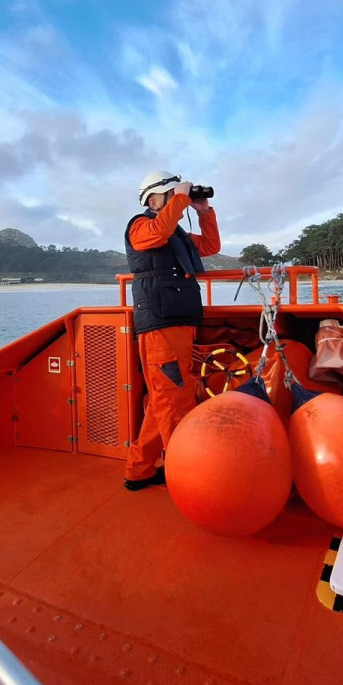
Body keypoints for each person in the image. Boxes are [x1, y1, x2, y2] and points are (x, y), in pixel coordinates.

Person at [123, 170, 220, 490]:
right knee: (173, 400)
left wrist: (204, 212)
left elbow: (209, 246)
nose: (181, 196)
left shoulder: (175, 232)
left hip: (179, 321)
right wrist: (180, 198)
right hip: (161, 324)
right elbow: (156, 233)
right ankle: (187, 475)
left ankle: (139, 470)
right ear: (154, 199)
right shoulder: (141, 226)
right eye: (172, 193)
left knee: (164, 399)